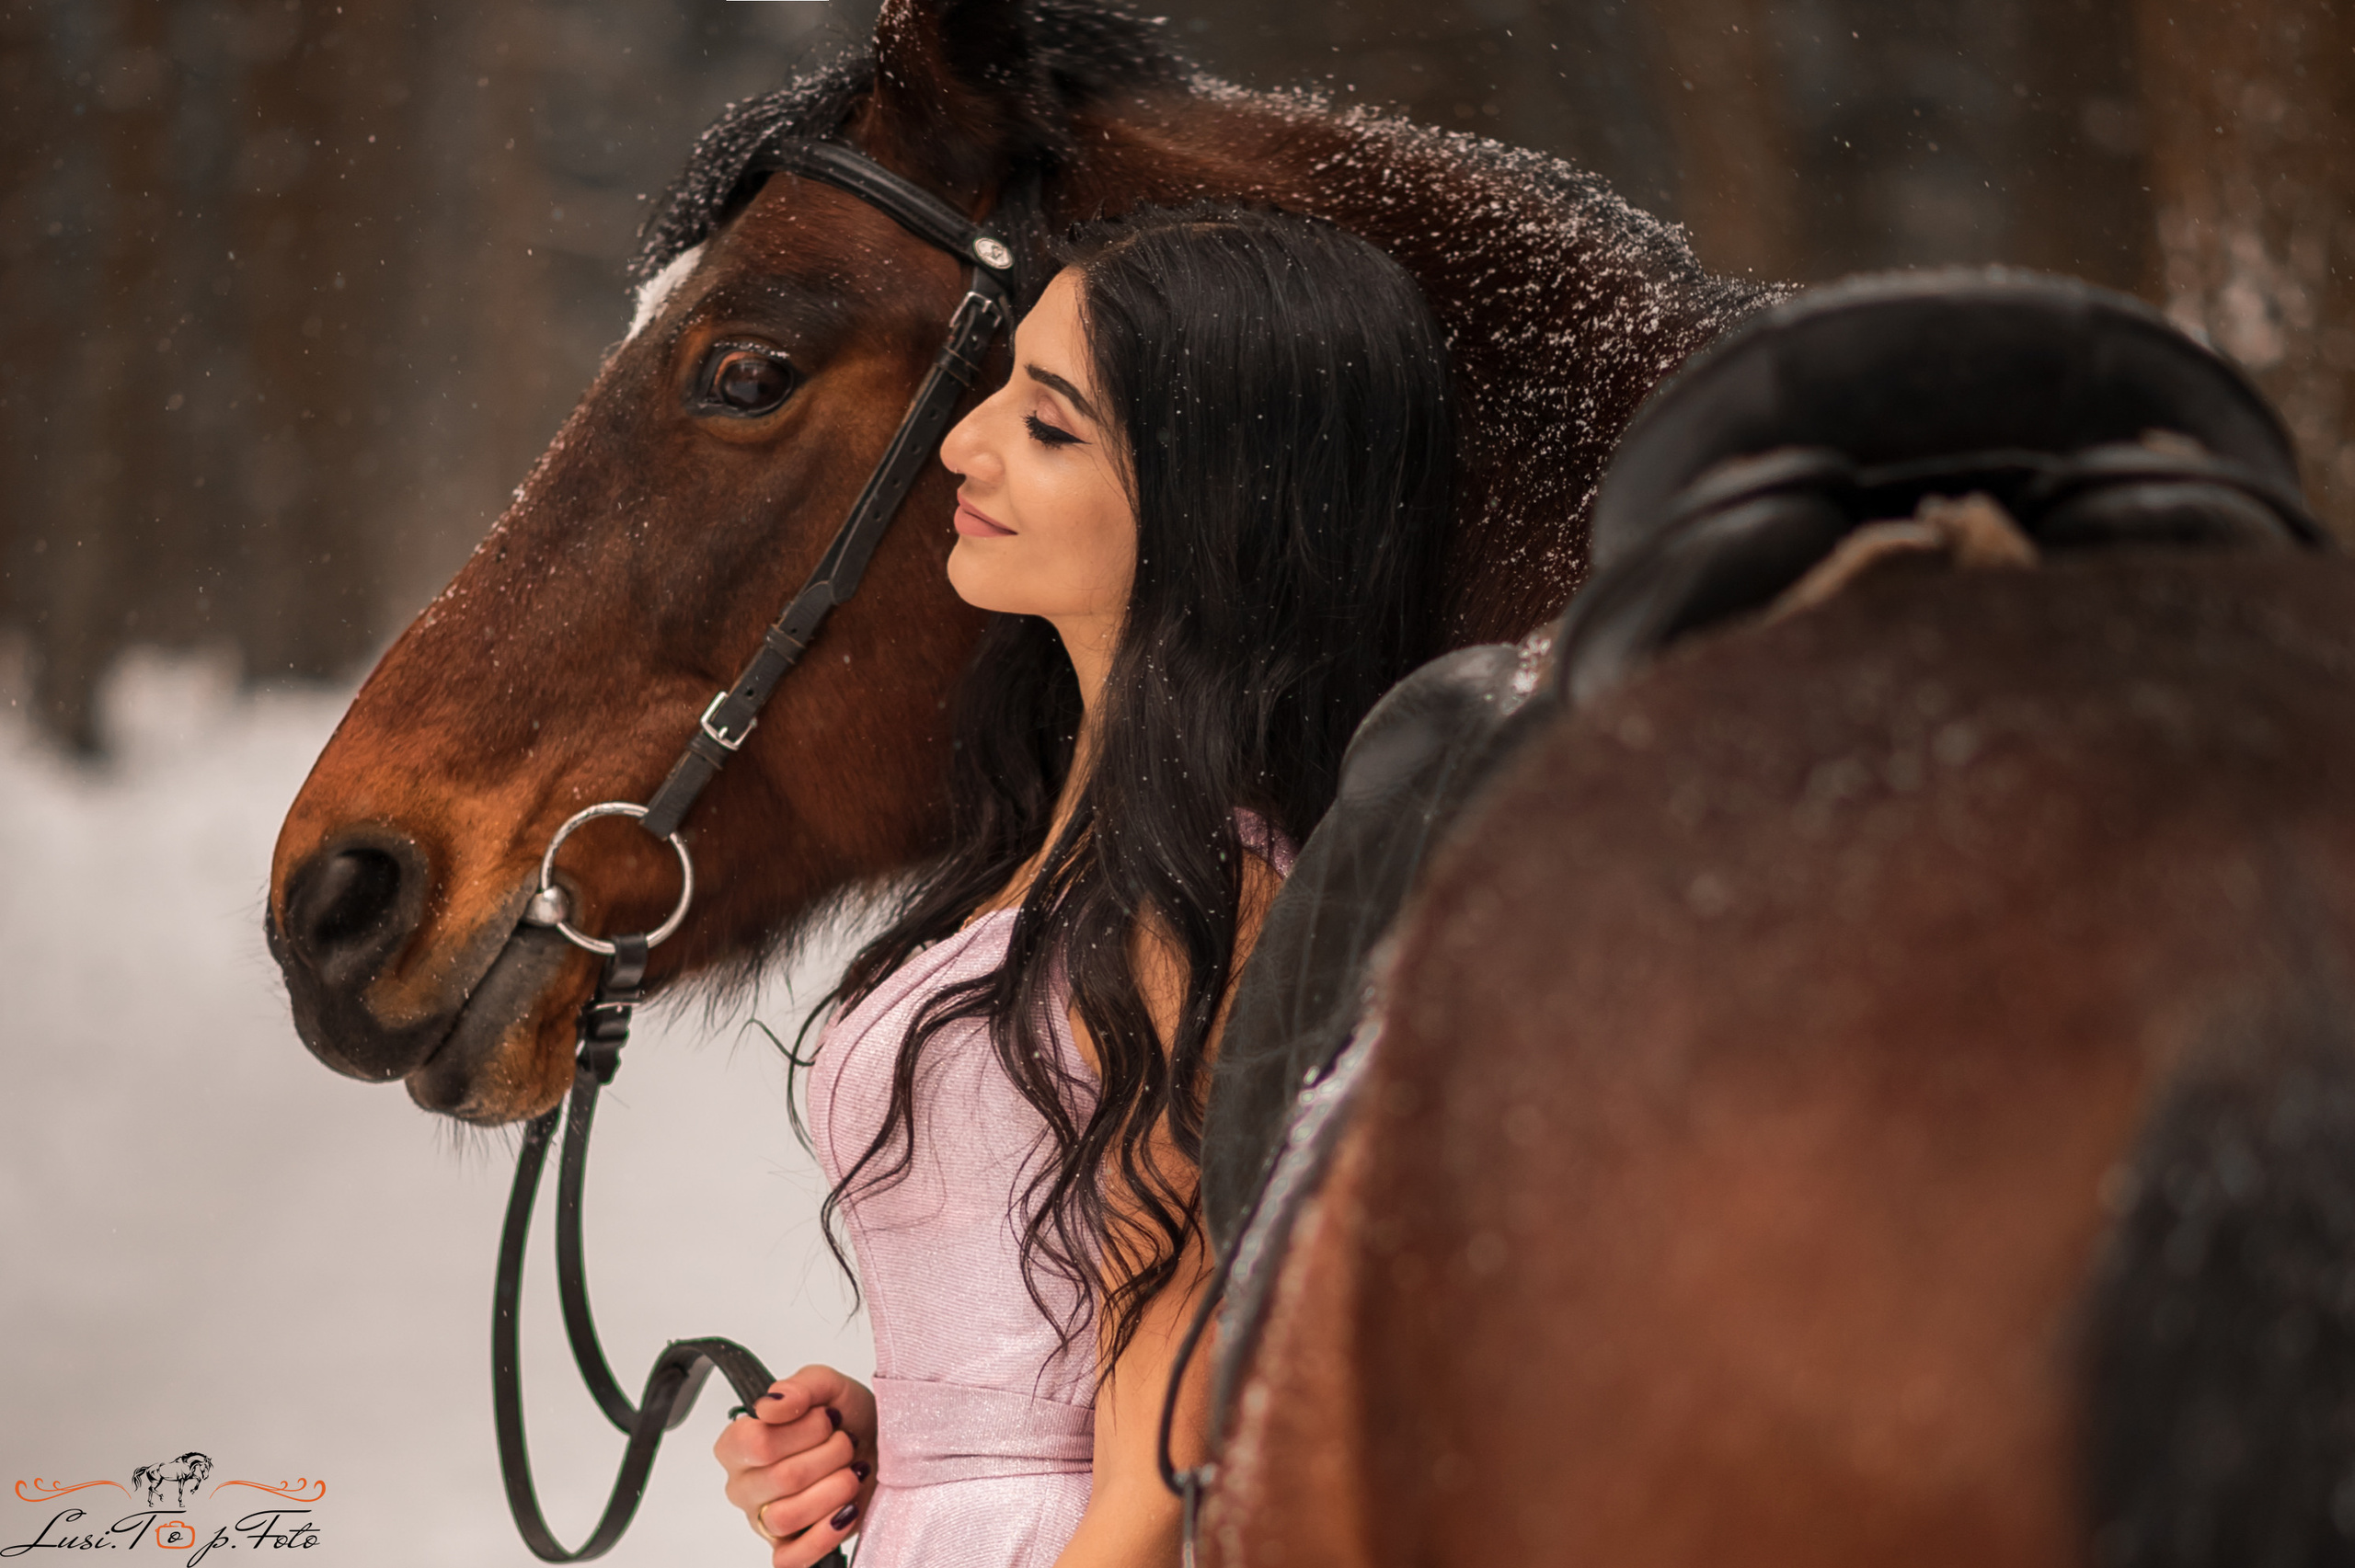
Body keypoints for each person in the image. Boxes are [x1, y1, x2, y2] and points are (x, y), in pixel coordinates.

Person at [713, 202, 1457, 1568]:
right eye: (1002, 388)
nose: (961, 441)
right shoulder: (1067, 854)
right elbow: (1078, 1368)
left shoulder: (1212, 903)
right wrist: (914, 1439)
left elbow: (1161, 1474)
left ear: (1217, 505)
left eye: (1051, 427)